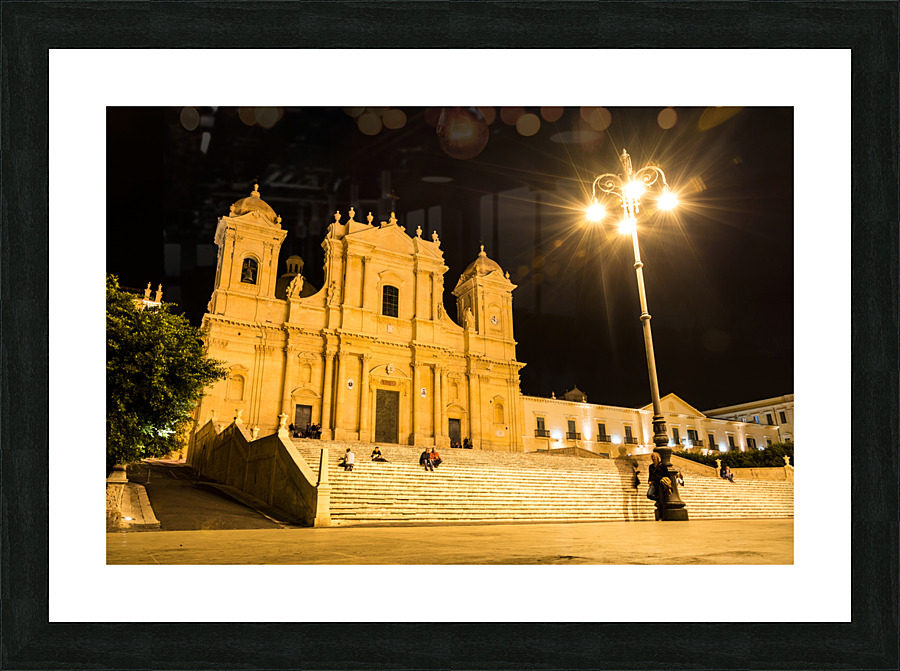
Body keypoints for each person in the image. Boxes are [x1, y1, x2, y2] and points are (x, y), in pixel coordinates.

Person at [648, 451, 668, 521]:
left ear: (657, 457)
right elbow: (650, 475)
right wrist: (649, 481)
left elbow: (666, 475)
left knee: (661, 502)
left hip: (660, 484)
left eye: (654, 456)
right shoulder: (651, 466)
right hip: (653, 483)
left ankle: (661, 517)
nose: (653, 458)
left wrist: (662, 479)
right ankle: (658, 499)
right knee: (649, 494)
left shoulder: (662, 466)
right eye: (652, 456)